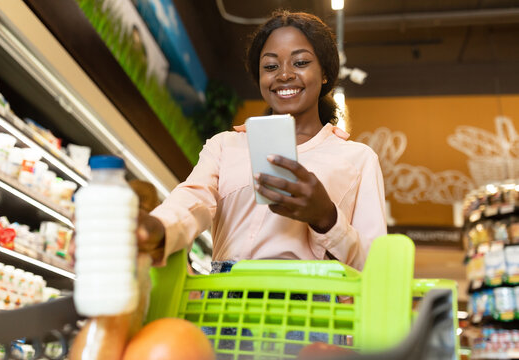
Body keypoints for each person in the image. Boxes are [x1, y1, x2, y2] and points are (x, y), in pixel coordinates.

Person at [137, 10, 387, 272]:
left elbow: (374, 266)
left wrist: (326, 218)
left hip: (313, 306)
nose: (284, 74)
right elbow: (193, 199)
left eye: (300, 63)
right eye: (270, 66)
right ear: (259, 78)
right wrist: (158, 226)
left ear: (325, 73)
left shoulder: (358, 159)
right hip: (223, 304)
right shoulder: (224, 145)